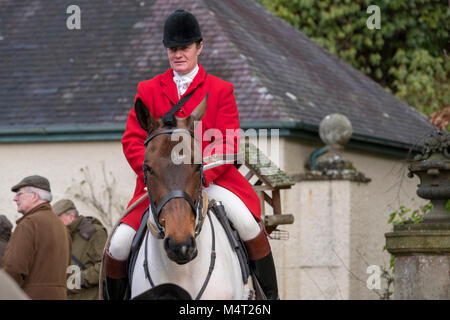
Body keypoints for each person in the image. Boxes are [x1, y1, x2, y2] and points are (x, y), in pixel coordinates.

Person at [104, 9, 279, 300]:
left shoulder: (220, 89)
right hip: (160, 185)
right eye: (172, 49)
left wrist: (199, 172)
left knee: (248, 224)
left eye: (184, 48)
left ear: (199, 47)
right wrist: (153, 172)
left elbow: (228, 140)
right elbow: (133, 139)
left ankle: (269, 299)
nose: (178, 54)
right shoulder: (147, 90)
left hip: (211, 180)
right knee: (120, 243)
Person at [2, 175, 71, 300]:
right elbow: (67, 270)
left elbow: (14, 269)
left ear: (34, 196)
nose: (14, 198)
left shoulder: (28, 224)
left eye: (19, 194)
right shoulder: (62, 227)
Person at [53, 199, 108, 300]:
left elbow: (104, 267)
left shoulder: (95, 232)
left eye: (57, 219)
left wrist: (76, 280)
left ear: (71, 216)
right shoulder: (62, 236)